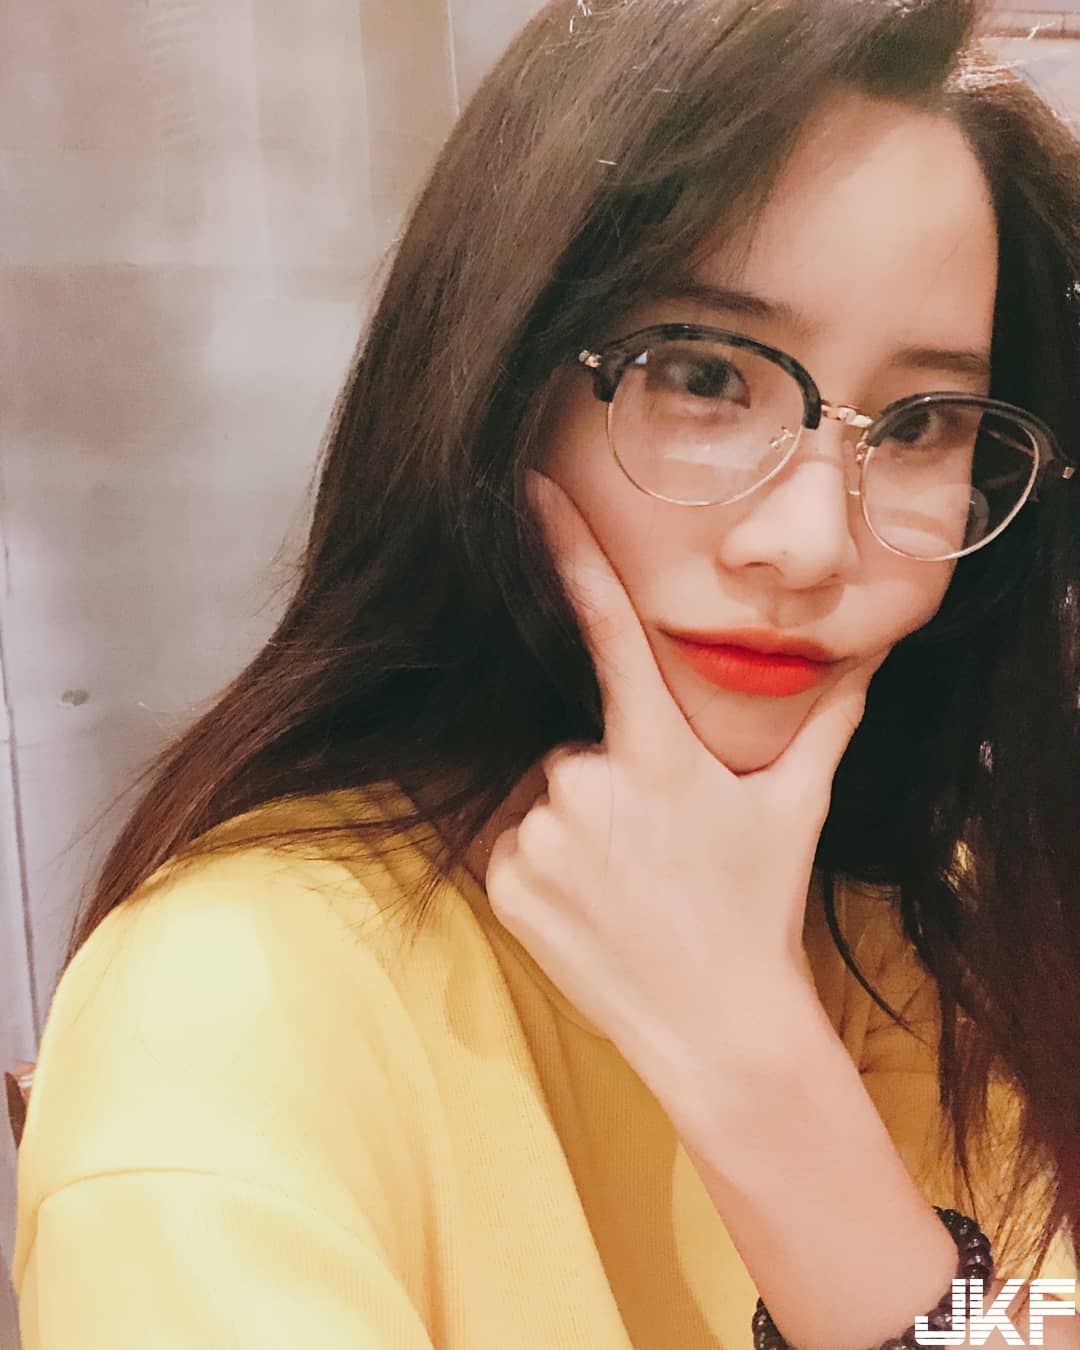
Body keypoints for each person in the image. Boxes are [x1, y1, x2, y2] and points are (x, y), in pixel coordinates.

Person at [12, 0, 1080, 1346]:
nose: (812, 541)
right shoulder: (230, 1010)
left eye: (922, 423)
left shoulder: (940, 934)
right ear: (497, 386)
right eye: (703, 375)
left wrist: (759, 1077)